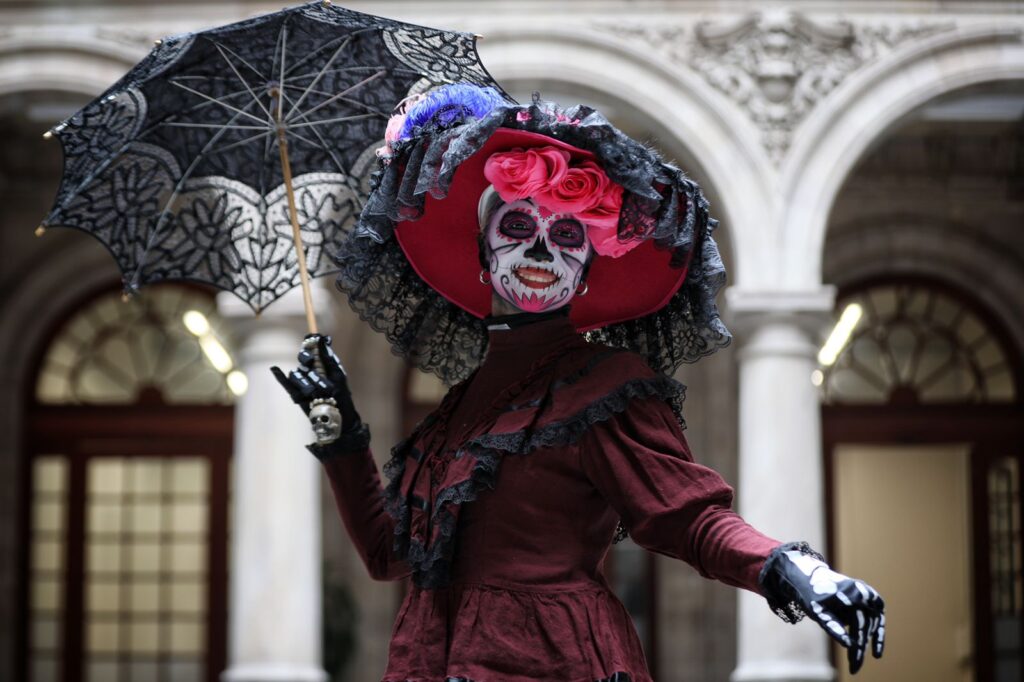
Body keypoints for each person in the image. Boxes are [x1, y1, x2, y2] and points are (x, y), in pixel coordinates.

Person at [272, 85, 885, 681]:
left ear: (587, 268)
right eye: (517, 227)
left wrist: (796, 571)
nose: (541, 250)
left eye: (566, 236)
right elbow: (390, 556)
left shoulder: (603, 386)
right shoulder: (457, 411)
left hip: (554, 660)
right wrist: (341, 432)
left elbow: (688, 518)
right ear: (483, 251)